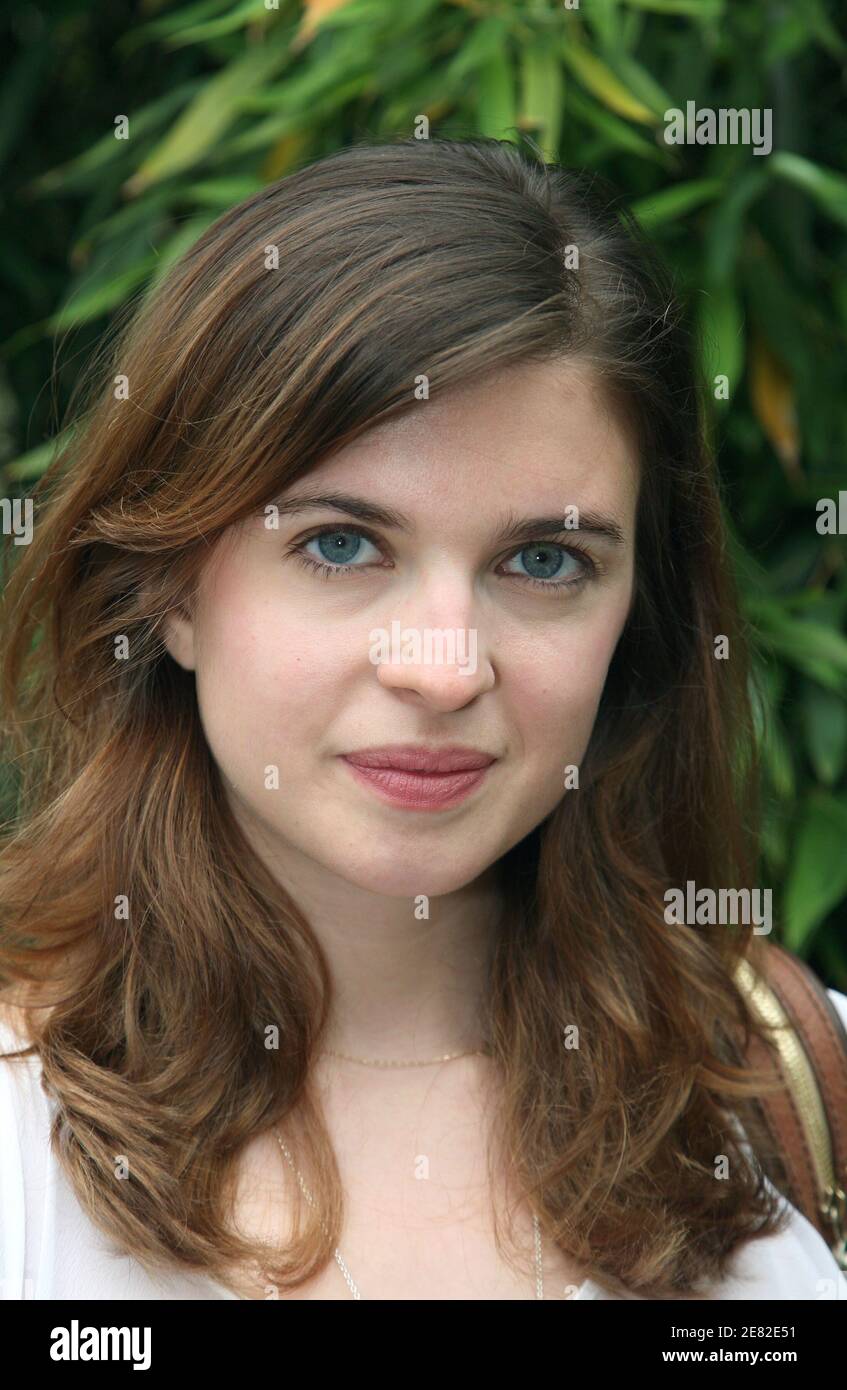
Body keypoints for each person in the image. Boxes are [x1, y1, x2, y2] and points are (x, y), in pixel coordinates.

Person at [1, 136, 845, 1302]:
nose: (444, 670)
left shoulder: (786, 1088)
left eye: (543, 559)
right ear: (173, 590)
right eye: (341, 545)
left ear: (634, 619)